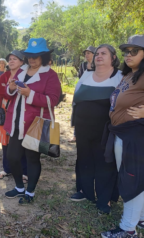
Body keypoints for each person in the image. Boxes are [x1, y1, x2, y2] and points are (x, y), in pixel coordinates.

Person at [3, 38, 61, 204]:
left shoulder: (50, 75)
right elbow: (9, 93)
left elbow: (53, 100)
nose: (32, 59)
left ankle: (30, 192)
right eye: (29, 55)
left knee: (32, 159)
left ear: (43, 56)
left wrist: (31, 94)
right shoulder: (21, 71)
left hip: (36, 124)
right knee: (12, 157)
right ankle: (19, 187)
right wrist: (11, 88)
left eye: (36, 56)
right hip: (17, 122)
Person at [101, 35, 144, 238]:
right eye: (126, 51)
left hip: (135, 136)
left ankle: (128, 230)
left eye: (134, 51)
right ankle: (141, 217)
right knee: (134, 179)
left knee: (132, 182)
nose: (128, 55)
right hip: (122, 133)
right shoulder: (130, 75)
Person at [70, 44, 121, 214]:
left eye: (103, 53)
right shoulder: (86, 75)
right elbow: (76, 100)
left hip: (106, 132)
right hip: (83, 129)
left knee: (104, 164)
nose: (99, 56)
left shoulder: (120, 77)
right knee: (84, 160)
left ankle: (104, 199)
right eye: (97, 53)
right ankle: (85, 192)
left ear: (113, 57)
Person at [0, 50, 27, 182]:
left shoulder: (25, 75)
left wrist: (10, 90)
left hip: (19, 112)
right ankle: (7, 168)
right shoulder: (4, 75)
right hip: (4, 111)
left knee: (21, 141)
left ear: (22, 62)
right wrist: (10, 89)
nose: (12, 61)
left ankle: (24, 171)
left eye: (15, 59)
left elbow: (23, 92)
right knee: (5, 141)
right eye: (10, 59)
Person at [69, 45, 96, 143]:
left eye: (89, 53)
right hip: (81, 91)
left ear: (94, 54)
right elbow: (81, 79)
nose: (86, 55)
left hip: (93, 93)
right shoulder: (83, 65)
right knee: (77, 111)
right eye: (85, 53)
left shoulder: (98, 66)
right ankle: (76, 135)